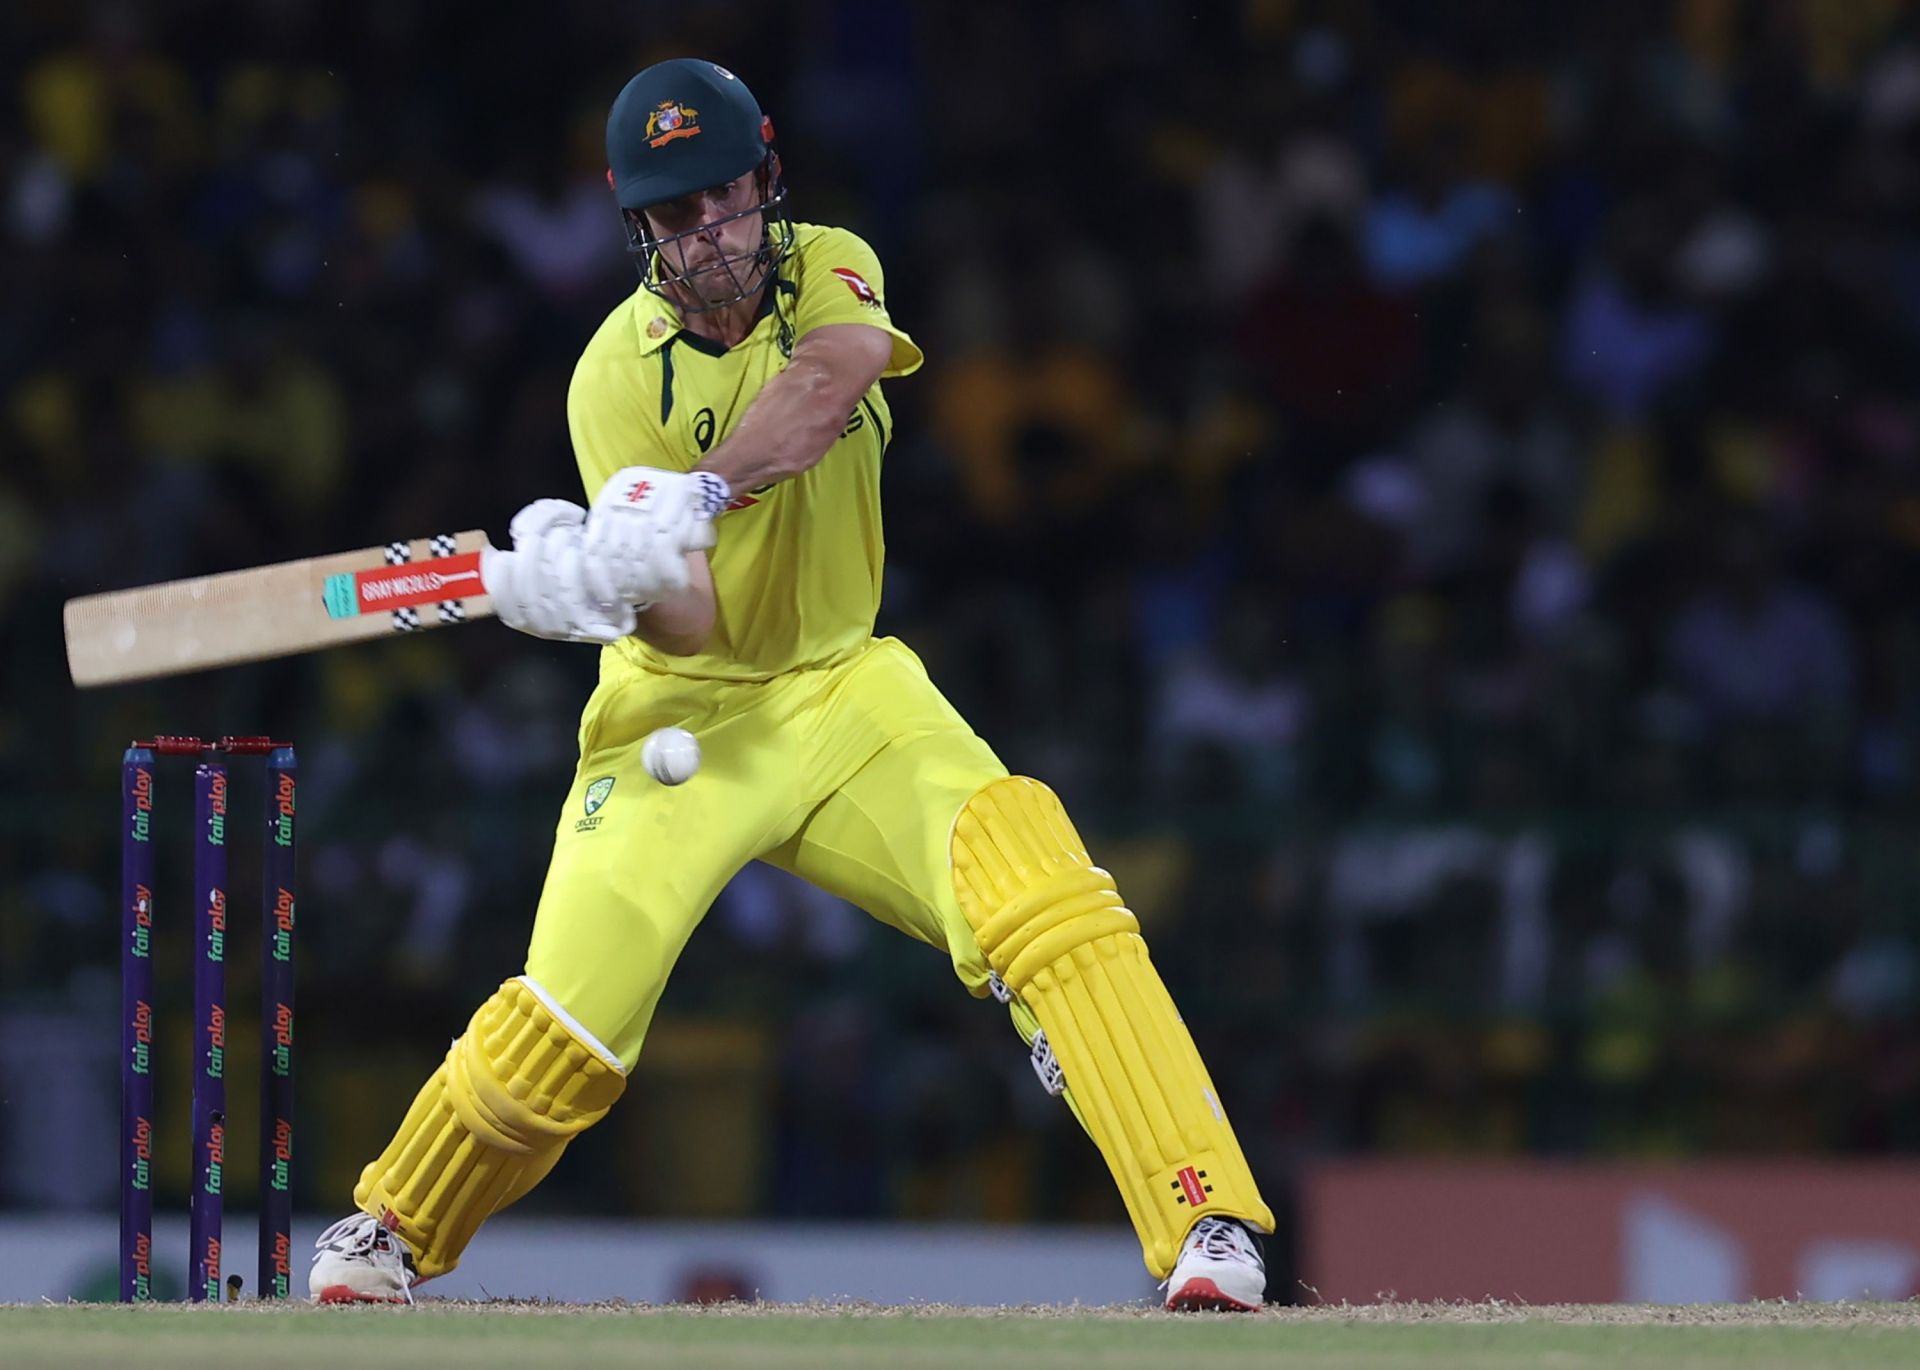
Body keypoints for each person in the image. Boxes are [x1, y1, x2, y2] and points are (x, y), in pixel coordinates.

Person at [308, 58, 1271, 1312]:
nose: (707, 236)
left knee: (1041, 883)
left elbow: (827, 388)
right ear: (635, 225)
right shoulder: (611, 377)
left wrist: (693, 496)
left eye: (724, 200)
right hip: (675, 714)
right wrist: (598, 582)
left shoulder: (831, 264)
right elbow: (694, 623)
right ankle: (386, 1226)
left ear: (767, 180)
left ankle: (1209, 1226)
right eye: (673, 216)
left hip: (848, 689)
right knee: (569, 1038)